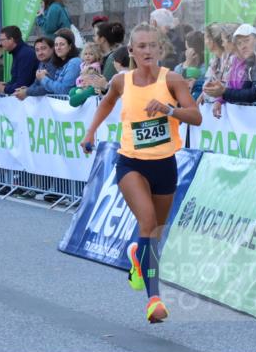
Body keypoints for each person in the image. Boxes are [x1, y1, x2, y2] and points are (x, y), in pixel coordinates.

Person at [80, 24, 202, 323]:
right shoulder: (122, 82)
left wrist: (168, 110)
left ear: (160, 49)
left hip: (165, 164)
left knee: (155, 234)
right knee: (146, 222)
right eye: (141, 46)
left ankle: (138, 257)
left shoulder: (172, 79)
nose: (147, 51)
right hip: (131, 163)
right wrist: (91, 132)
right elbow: (107, 104)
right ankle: (154, 299)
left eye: (152, 45)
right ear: (131, 51)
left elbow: (195, 117)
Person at [15, 31, 80, 99]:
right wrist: (28, 89)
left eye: (62, 44)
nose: (58, 48)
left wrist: (43, 79)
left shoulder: (74, 62)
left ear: (70, 46)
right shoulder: (59, 62)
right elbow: (38, 84)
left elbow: (64, 90)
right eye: (56, 45)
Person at [0, 25, 38, 94]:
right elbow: (16, 81)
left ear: (11, 39)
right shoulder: (19, 52)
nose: (0, 43)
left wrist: (4, 88)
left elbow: (22, 85)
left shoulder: (25, 54)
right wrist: (6, 85)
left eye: (2, 40)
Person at [69, 42, 108, 107]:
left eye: (91, 54)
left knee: (74, 100)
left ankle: (79, 99)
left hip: (91, 87)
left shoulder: (95, 65)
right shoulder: (83, 65)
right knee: (72, 91)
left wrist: (86, 72)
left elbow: (90, 75)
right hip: (82, 87)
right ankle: (80, 99)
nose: (88, 56)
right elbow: (80, 78)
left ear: (96, 55)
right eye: (86, 54)